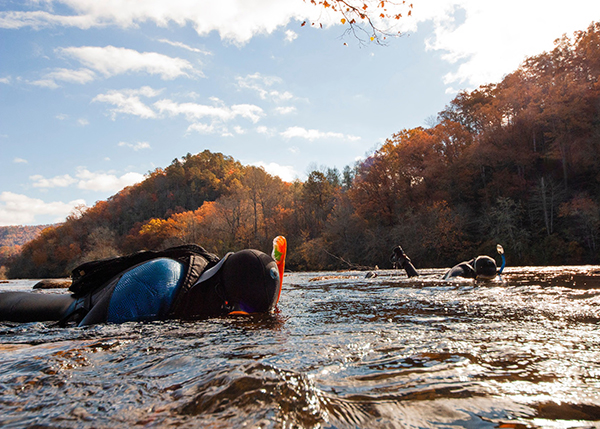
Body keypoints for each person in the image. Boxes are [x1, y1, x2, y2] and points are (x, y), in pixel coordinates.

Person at [0, 238, 286, 326]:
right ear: (221, 292)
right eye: (237, 315)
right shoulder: (159, 280)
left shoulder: (215, 290)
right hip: (73, 312)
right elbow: (86, 339)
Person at [390, 244, 505, 280]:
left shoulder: (475, 269)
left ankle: (401, 257)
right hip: (440, 279)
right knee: (416, 279)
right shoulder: (464, 268)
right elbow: (452, 277)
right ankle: (402, 259)